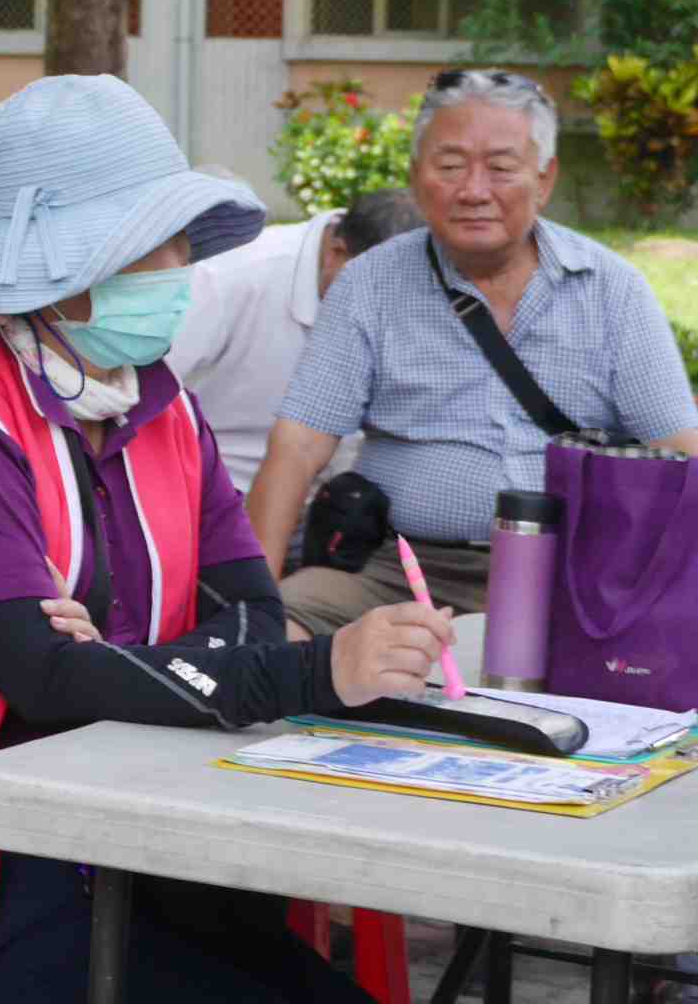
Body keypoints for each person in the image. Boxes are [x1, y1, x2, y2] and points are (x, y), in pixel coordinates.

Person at [0, 75, 452, 1004]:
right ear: (68, 275)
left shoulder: (162, 409)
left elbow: (250, 610)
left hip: (125, 832)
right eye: (159, 246)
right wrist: (314, 672)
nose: (184, 267)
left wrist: (119, 663)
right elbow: (44, 679)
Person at [248, 71, 698, 638]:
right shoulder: (370, 284)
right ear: (416, 178)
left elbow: (681, 453)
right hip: (400, 571)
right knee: (276, 635)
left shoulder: (610, 288)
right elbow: (298, 445)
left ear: (545, 179)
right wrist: (252, 604)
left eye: (502, 168)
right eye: (451, 165)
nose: (474, 190)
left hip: (574, 574)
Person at [166, 187, 424, 493]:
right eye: (378, 293)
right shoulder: (231, 276)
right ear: (337, 253)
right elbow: (145, 396)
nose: (384, 313)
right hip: (215, 495)